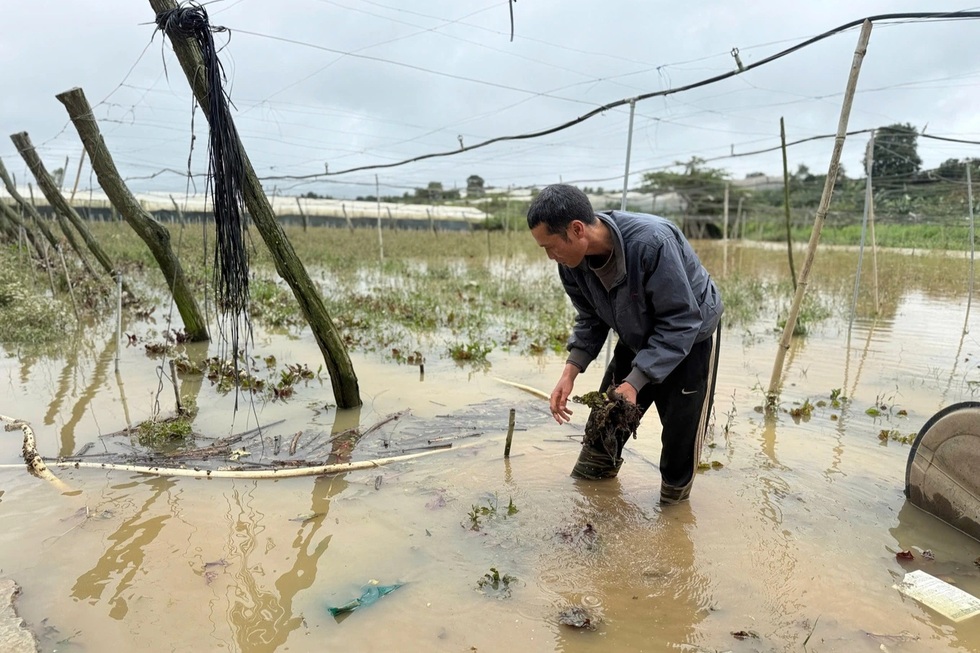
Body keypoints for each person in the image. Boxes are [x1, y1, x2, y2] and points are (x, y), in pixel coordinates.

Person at [527, 184, 723, 505]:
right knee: (602, 434)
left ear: (577, 230)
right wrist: (570, 372)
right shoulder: (571, 265)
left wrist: (635, 381)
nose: (550, 257)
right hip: (636, 334)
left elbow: (680, 321)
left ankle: (673, 522)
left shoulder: (652, 243)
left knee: (679, 446)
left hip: (690, 339)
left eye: (550, 247)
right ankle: (594, 509)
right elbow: (591, 319)